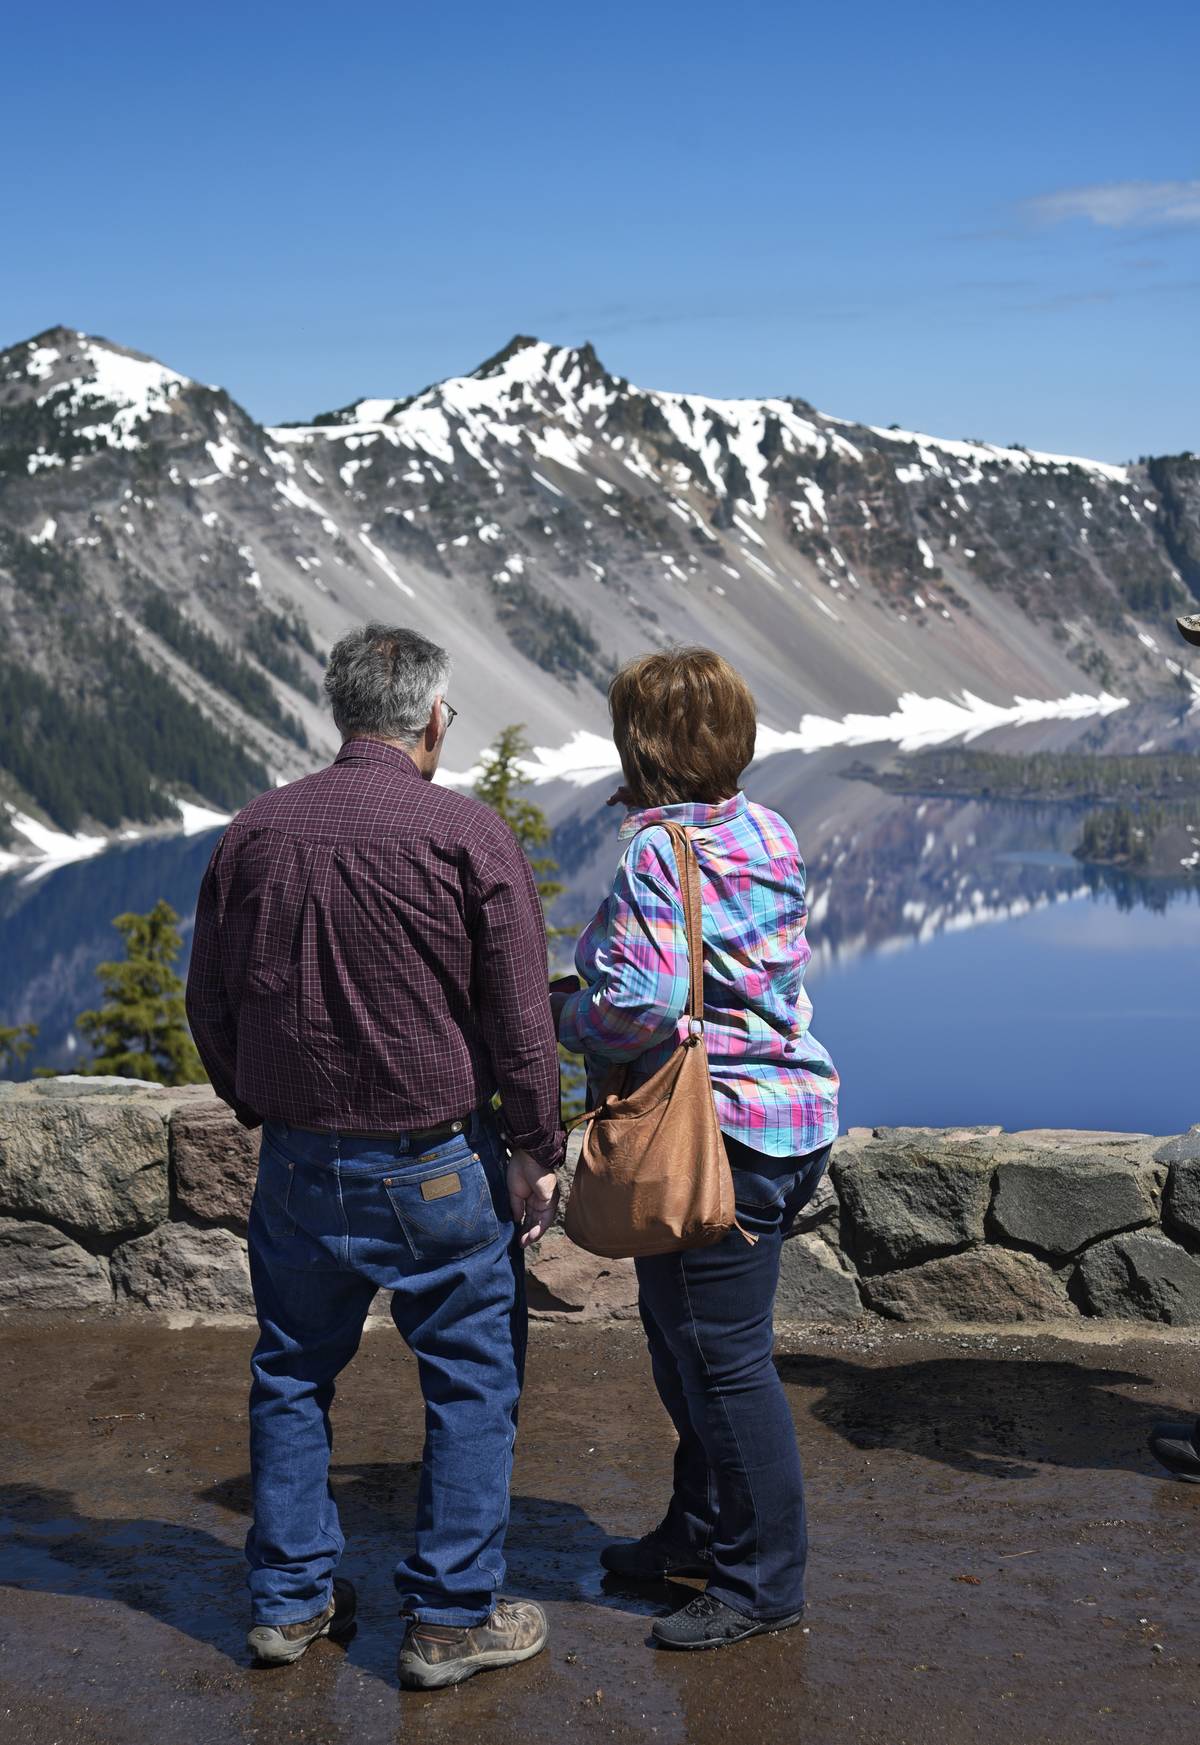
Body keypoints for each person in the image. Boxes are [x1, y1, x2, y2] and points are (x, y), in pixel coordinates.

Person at [185, 623, 563, 1689]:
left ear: (339, 709)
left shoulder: (256, 830)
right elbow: (524, 1024)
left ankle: (290, 1602)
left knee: (292, 1371)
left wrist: (253, 1097)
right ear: (433, 719)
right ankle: (448, 1619)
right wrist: (535, 1146)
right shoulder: (468, 835)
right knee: (472, 1383)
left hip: (300, 1163)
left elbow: (207, 1001)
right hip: (438, 1163)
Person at [552, 647, 839, 1652]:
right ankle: (700, 1531)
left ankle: (763, 1582)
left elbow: (651, 1001)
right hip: (791, 1114)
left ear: (642, 742)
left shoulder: (653, 850)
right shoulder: (768, 824)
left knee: (723, 1360)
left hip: (718, 1132)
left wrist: (573, 1016)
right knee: (681, 1336)